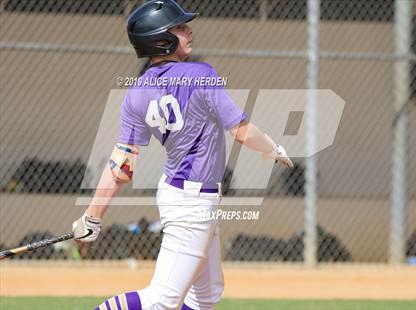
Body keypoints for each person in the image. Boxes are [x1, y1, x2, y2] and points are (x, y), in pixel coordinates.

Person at [72, 1, 293, 309]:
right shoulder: (201, 74)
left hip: (185, 196)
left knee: (206, 294)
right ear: (160, 39)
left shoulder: (137, 91)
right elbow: (241, 131)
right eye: (178, 27)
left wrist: (92, 216)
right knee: (162, 300)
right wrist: (273, 149)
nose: (188, 29)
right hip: (192, 203)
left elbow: (121, 165)